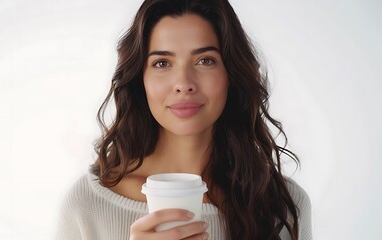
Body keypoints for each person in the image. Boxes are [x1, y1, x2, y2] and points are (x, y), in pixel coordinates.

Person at [55, 0, 312, 239]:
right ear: (139, 79)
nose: (184, 84)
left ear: (231, 74)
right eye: (162, 63)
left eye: (205, 60)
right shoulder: (86, 205)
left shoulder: (283, 204)